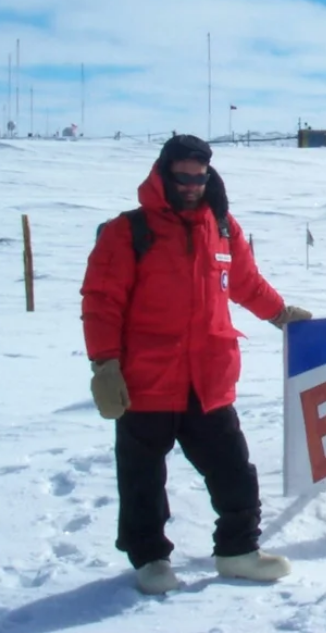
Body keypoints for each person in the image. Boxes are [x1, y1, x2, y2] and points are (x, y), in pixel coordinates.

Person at [80, 134, 312, 595]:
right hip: (145, 381)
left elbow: (244, 282)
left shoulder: (223, 227)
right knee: (142, 478)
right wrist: (104, 364)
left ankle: (238, 551)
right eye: (182, 176)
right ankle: (150, 560)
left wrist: (282, 315)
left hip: (208, 379)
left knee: (234, 472)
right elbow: (101, 300)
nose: (191, 184)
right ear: (164, 173)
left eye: (199, 176)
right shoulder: (129, 231)